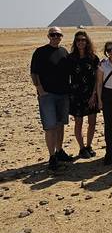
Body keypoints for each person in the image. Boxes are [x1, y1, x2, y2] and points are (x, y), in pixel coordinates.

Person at [30, 26, 73, 171]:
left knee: (60, 125)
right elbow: (34, 73)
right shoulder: (40, 52)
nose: (55, 37)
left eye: (58, 35)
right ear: (48, 36)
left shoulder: (64, 52)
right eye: (53, 35)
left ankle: (60, 151)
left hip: (63, 94)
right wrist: (40, 89)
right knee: (50, 126)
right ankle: (52, 156)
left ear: (62, 37)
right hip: (47, 95)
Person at [68, 30, 99, 158]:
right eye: (78, 40)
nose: (81, 42)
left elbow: (98, 78)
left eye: (83, 40)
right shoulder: (70, 58)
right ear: (75, 42)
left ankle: (89, 146)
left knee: (92, 122)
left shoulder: (93, 58)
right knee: (78, 123)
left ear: (87, 42)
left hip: (90, 94)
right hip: (76, 95)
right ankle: (81, 148)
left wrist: (94, 95)